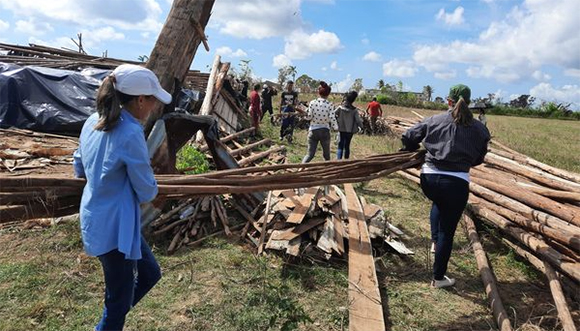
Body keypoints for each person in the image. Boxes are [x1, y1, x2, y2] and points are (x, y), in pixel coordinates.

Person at [73, 64, 171, 330]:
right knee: (117, 299)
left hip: (104, 220)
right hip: (116, 229)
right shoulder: (130, 132)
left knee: (150, 273)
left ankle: (113, 318)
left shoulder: (91, 121)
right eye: (152, 101)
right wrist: (152, 188)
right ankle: (109, 323)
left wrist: (102, 179)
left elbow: (78, 164)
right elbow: (145, 189)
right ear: (140, 100)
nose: (153, 107)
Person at [401, 84, 490, 289]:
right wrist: (465, 161)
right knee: (447, 232)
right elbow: (479, 157)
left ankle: (435, 243)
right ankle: (438, 278)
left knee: (438, 203)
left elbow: (408, 136)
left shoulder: (434, 120)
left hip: (430, 180)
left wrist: (412, 149)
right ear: (469, 102)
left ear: (449, 101)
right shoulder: (479, 128)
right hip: (456, 183)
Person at [302, 81, 338, 163]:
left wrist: (304, 116)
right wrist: (336, 128)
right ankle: (327, 171)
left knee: (309, 155)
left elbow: (309, 117)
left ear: (319, 92)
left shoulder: (312, 102)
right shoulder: (330, 104)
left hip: (313, 131)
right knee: (326, 156)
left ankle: (300, 169)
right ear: (328, 94)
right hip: (325, 131)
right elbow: (332, 118)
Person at [335, 91, 363, 159]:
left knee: (340, 146)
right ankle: (346, 161)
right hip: (350, 130)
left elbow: (333, 114)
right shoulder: (354, 110)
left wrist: (336, 121)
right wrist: (361, 127)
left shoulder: (340, 108)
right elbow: (358, 120)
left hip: (341, 129)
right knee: (347, 146)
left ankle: (339, 162)